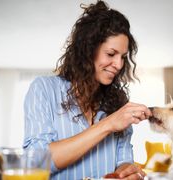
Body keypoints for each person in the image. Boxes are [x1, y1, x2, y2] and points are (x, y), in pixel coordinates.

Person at [23, 0, 151, 179]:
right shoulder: (44, 89)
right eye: (111, 54)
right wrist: (107, 125)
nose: (119, 64)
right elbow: (36, 162)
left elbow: (123, 160)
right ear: (88, 49)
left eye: (123, 57)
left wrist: (126, 172)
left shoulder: (117, 103)